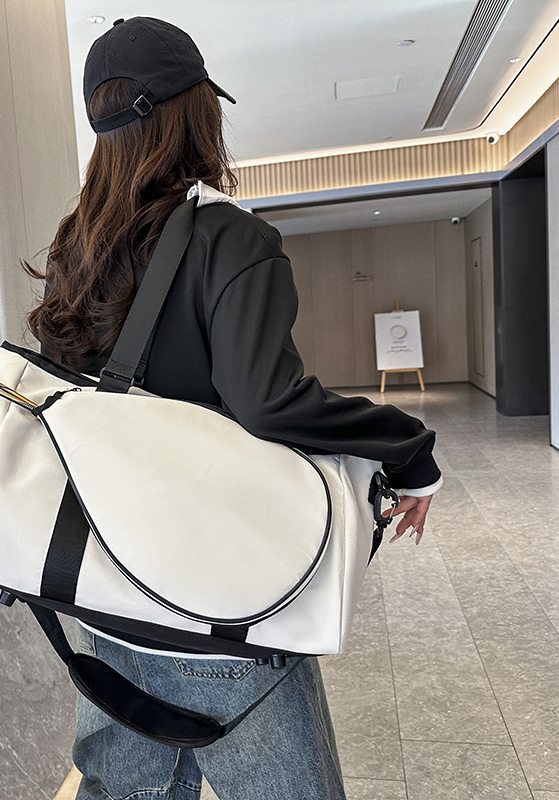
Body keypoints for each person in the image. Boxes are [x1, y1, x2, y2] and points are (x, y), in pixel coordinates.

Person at [26, 17, 441, 800]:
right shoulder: (229, 236)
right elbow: (270, 403)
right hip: (215, 604)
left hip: (109, 592)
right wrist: (409, 448)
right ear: (198, 113)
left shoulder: (74, 250)